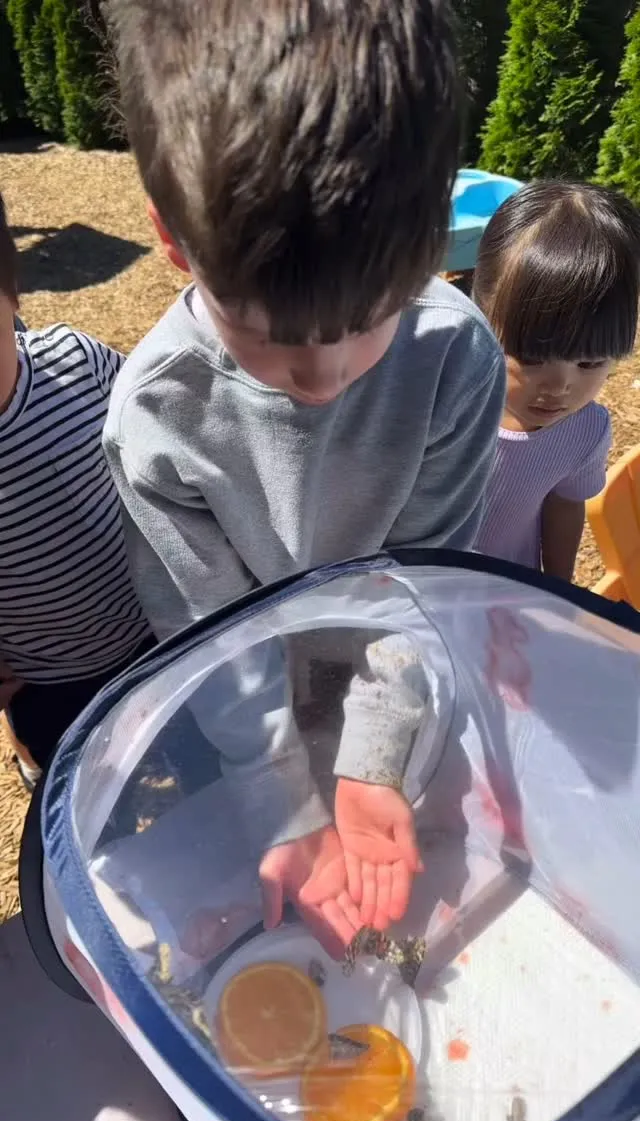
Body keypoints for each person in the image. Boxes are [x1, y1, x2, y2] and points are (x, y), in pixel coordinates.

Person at [103, 0, 505, 953]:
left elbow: (421, 584)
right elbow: (214, 646)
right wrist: (285, 802)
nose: (323, 384)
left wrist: (369, 765)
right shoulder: (158, 418)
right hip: (250, 705)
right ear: (173, 239)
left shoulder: (455, 355)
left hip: (392, 676)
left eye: (373, 319)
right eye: (272, 341)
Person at [0, 191, 153, 787]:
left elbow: (157, 429)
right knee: (92, 798)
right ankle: (35, 763)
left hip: (152, 631)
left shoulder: (76, 362)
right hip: (51, 680)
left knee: (195, 762)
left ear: (12, 296)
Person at [474, 180, 640, 580]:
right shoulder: (445, 403)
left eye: (590, 363)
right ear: (480, 311)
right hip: (418, 593)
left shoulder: (584, 430)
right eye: (531, 357)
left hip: (509, 591)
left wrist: (558, 589)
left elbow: (564, 503)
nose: (559, 387)